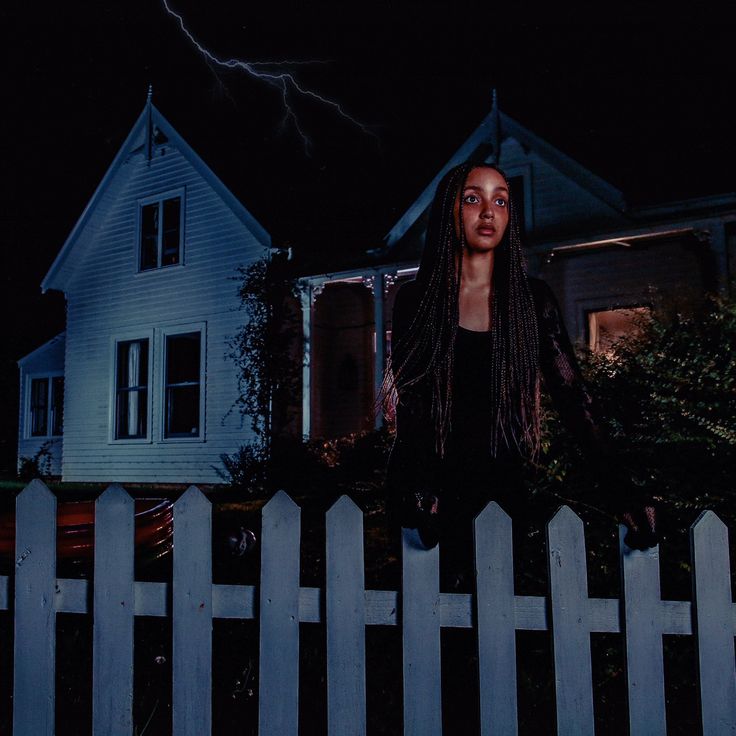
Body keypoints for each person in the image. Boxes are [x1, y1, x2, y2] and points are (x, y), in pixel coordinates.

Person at [383, 161, 657, 555]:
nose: (489, 211)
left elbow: (575, 401)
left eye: (502, 200)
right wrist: (421, 485)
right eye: (473, 198)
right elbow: (414, 408)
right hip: (428, 493)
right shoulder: (416, 300)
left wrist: (622, 490)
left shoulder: (532, 300)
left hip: (502, 488)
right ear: (449, 209)